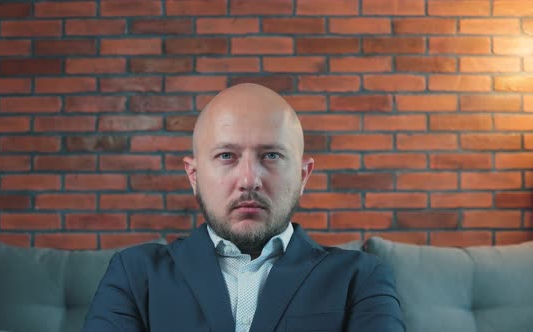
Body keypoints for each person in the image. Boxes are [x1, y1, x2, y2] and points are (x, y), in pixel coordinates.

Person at [82, 83, 405, 332]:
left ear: (303, 175)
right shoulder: (134, 273)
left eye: (271, 156)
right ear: (193, 175)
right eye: (227, 156)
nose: (249, 179)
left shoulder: (361, 277)